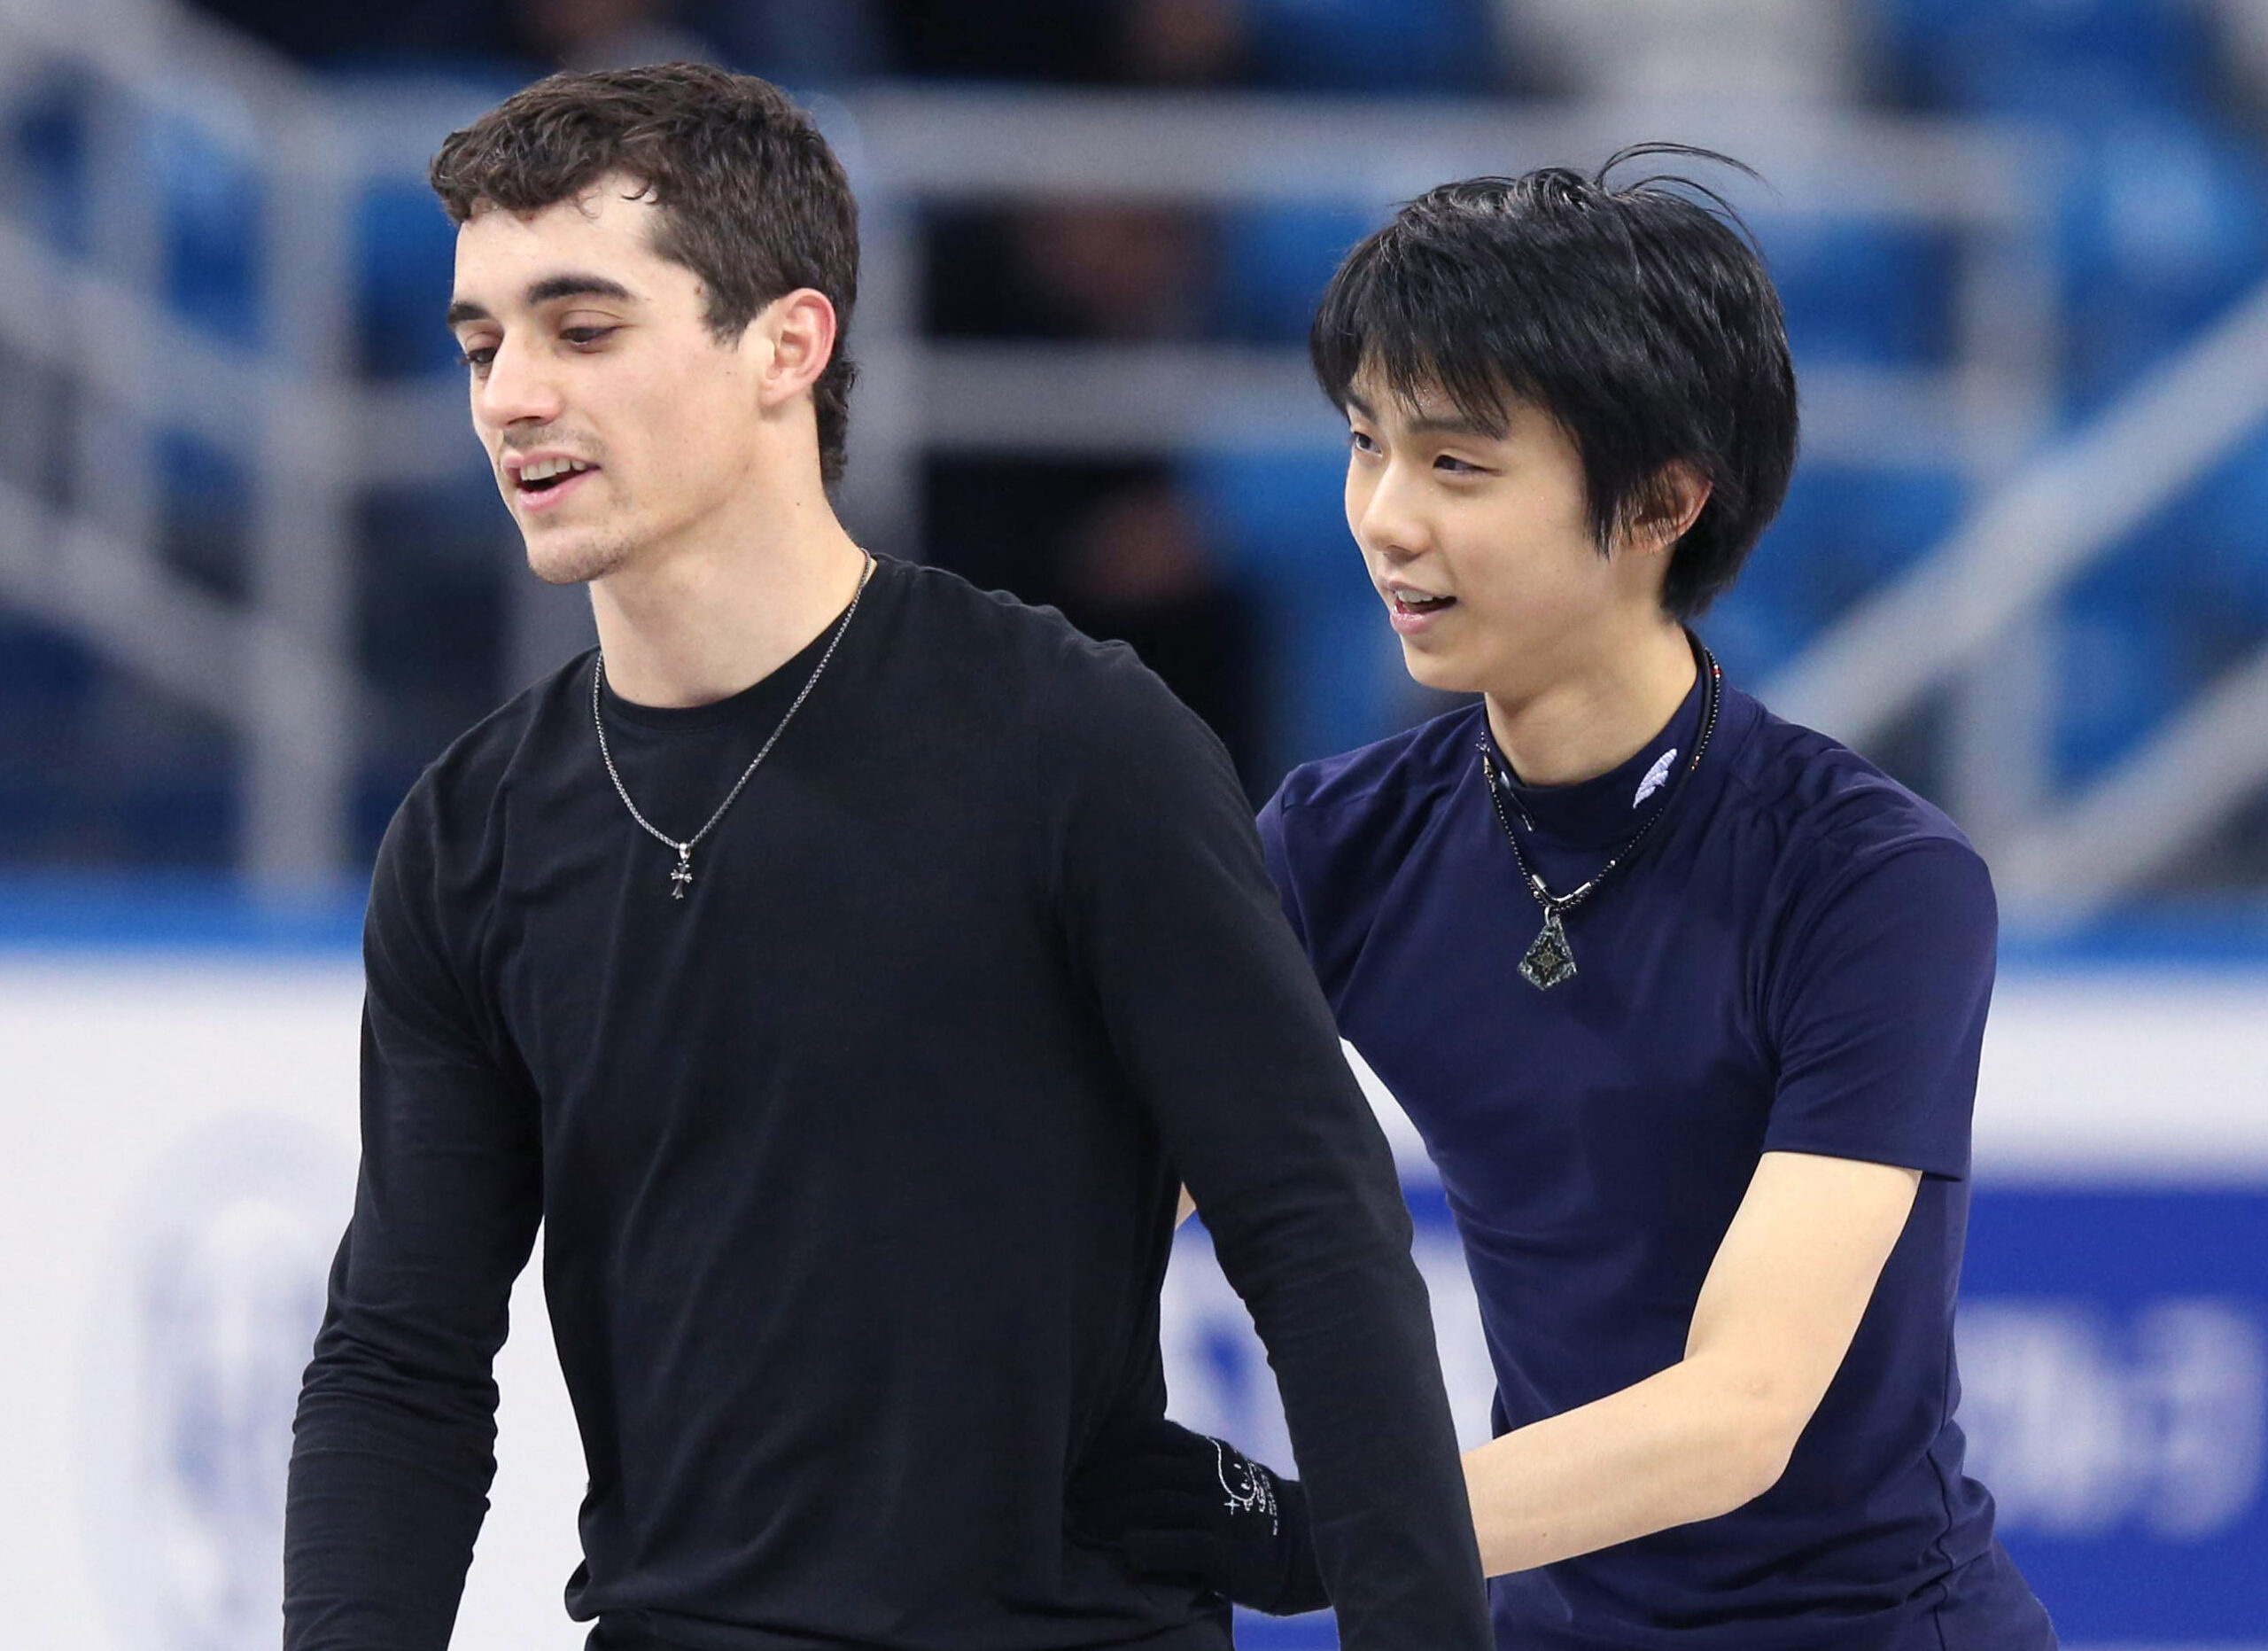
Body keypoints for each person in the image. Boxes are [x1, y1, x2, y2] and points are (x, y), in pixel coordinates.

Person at [281, 64, 1490, 1651]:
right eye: (482, 342)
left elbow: (1317, 1236)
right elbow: (400, 1357)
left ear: (790, 343)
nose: (510, 394)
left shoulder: (1072, 742)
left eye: (582, 331)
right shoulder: (471, 836)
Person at [1069, 152, 2061, 1649]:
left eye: (1458, 466)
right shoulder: (1341, 840)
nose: (1386, 519)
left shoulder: (1873, 879)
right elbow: (1112, 1186)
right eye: (1365, 445)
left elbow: (1741, 1411)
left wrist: (1324, 1528)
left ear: (1663, 499)